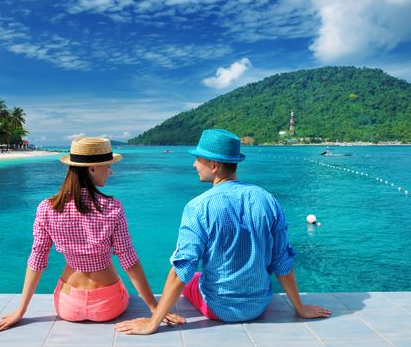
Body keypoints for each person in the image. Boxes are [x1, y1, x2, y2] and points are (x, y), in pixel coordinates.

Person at [116, 129, 332, 335]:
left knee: (192, 276)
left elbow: (183, 268)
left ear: (214, 164)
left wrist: (153, 322)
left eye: (198, 159)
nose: (193, 164)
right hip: (259, 306)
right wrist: (300, 309)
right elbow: (282, 259)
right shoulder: (268, 199)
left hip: (217, 309)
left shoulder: (198, 207)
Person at [0, 137, 181, 332]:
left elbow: (37, 260)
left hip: (68, 305)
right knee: (119, 280)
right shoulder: (112, 208)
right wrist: (154, 307)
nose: (111, 171)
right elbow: (128, 261)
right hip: (109, 304)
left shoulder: (47, 208)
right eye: (108, 165)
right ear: (92, 168)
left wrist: (20, 310)